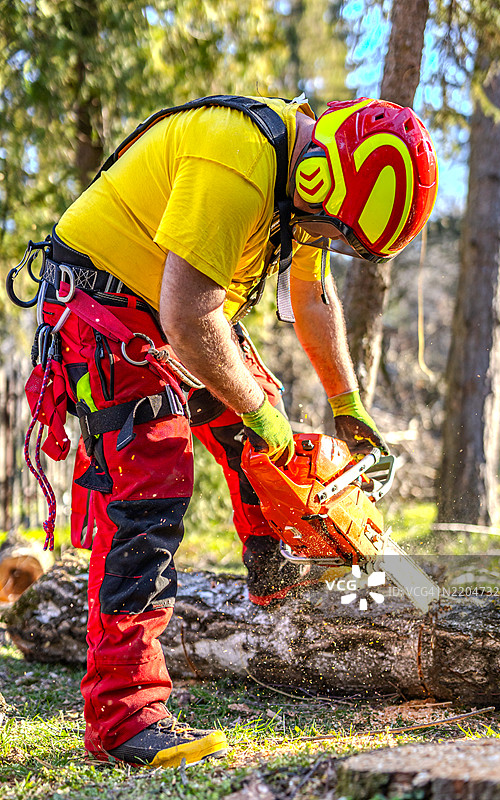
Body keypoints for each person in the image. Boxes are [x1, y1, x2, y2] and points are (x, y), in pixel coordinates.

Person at [16, 94, 437, 769]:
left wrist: (346, 403)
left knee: (261, 436)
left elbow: (311, 298)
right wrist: (258, 413)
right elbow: (189, 320)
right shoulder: (239, 159)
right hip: (106, 304)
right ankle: (124, 718)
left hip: (168, 297)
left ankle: (274, 574)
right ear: (317, 179)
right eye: (328, 231)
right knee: (151, 488)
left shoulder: (309, 175)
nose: (322, 241)